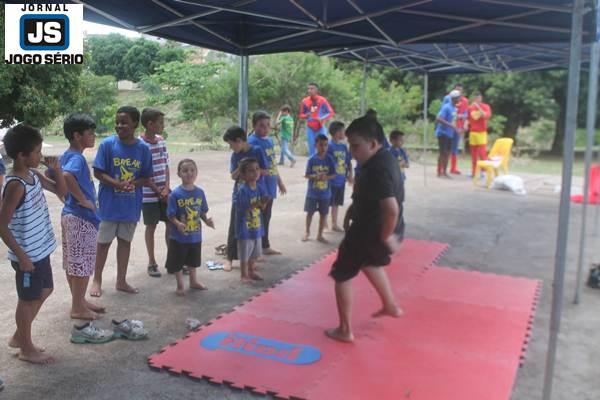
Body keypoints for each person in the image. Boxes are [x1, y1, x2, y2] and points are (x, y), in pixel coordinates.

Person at [326, 116, 404, 343]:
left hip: (369, 231)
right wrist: (353, 210)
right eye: (350, 145)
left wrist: (386, 236)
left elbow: (390, 208)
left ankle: (344, 330)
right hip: (375, 226)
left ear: (372, 143)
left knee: (342, 273)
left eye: (356, 146)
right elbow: (372, 197)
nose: (352, 151)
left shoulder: (376, 169)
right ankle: (390, 306)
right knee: (370, 262)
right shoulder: (384, 158)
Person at [0, 124, 67, 363]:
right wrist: (22, 256)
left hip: (41, 249)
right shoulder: (16, 184)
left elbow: (61, 192)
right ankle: (26, 349)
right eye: (37, 152)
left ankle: (20, 336)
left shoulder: (33, 175)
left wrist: (56, 170)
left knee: (46, 290)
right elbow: (2, 224)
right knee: (28, 299)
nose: (40, 156)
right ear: (22, 155)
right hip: (28, 254)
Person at [90, 106, 152, 297]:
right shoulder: (107, 145)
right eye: (117, 122)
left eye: (124, 122)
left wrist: (132, 183)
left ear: (135, 123)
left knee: (125, 242)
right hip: (109, 206)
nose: (119, 126)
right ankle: (97, 280)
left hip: (130, 206)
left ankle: (121, 280)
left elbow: (146, 177)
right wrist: (116, 184)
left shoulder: (143, 149)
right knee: (103, 244)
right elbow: (98, 172)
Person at [60, 114, 105, 321]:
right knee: (82, 266)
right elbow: (67, 176)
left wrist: (68, 197)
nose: (93, 136)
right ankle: (77, 308)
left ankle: (79, 302)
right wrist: (83, 200)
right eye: (90, 133)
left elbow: (59, 178)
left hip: (70, 216)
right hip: (81, 218)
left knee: (74, 264)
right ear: (77, 136)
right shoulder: (77, 158)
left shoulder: (67, 155)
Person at [222, 126, 269, 272]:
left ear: (239, 141)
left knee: (254, 226)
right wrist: (240, 168)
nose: (231, 148)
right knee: (235, 226)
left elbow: (266, 171)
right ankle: (229, 258)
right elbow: (233, 176)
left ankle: (251, 260)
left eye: (231, 144)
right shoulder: (235, 156)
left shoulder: (256, 150)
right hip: (239, 195)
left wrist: (252, 170)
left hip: (255, 195)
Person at [165, 159, 213, 295]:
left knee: (193, 261)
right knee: (177, 262)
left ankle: (193, 281)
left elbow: (202, 211)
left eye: (192, 170)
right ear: (179, 174)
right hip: (179, 237)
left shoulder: (200, 192)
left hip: (195, 235)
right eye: (185, 171)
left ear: (196, 172)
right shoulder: (175, 194)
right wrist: (178, 224)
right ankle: (180, 285)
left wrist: (206, 221)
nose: (189, 173)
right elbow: (170, 214)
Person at [248, 111, 287, 255]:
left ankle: (264, 246)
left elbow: (272, 164)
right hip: (259, 188)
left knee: (266, 217)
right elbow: (251, 169)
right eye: (261, 126)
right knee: (256, 218)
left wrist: (279, 182)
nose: (265, 129)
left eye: (267, 126)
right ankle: (255, 249)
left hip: (270, 186)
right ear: (254, 126)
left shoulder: (269, 140)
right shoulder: (252, 143)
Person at [140, 108, 170, 278]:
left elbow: (166, 166)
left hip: (164, 192)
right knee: (151, 226)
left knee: (171, 224)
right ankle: (152, 262)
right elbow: (144, 174)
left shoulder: (161, 141)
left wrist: (166, 188)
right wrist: (158, 190)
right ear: (150, 124)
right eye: (160, 123)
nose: (163, 126)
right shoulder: (140, 145)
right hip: (148, 195)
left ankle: (173, 259)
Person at [235, 157, 269, 282]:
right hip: (245, 228)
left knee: (255, 251)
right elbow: (245, 207)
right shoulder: (243, 190)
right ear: (243, 175)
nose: (255, 172)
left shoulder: (259, 187)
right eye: (251, 170)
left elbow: (262, 206)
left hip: (256, 225)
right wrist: (260, 203)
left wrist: (264, 203)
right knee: (245, 253)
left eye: (257, 169)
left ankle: (251, 270)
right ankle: (243, 275)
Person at [303, 134, 336, 243]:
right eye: (321, 145)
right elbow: (307, 175)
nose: (323, 147)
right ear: (315, 145)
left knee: (323, 214)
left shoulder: (330, 159)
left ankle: (320, 235)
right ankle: (307, 232)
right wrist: (315, 177)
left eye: (326, 145)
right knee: (310, 213)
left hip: (325, 194)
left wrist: (326, 177)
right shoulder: (311, 160)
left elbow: (333, 175)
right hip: (312, 193)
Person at [327, 121, 353, 232]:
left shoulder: (343, 146)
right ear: (337, 133)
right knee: (326, 202)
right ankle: (324, 224)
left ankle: (334, 223)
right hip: (331, 181)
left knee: (336, 202)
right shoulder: (329, 146)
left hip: (341, 180)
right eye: (343, 131)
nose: (344, 133)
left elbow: (348, 162)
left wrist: (350, 175)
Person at [299, 82, 334, 157]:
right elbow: (301, 115)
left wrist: (322, 119)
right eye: (308, 89)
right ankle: (312, 165)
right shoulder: (304, 101)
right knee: (312, 147)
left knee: (324, 146)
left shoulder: (322, 100)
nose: (309, 90)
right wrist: (305, 116)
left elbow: (331, 112)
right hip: (310, 128)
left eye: (312, 88)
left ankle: (326, 162)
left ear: (316, 90)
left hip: (320, 127)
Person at [443, 84, 469, 174]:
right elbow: (444, 110)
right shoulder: (447, 98)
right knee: (445, 148)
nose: (459, 93)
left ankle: (453, 168)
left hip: (458, 127)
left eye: (460, 91)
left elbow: (466, 113)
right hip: (448, 126)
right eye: (457, 90)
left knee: (455, 147)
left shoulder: (465, 101)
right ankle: (442, 169)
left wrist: (465, 123)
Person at [435, 91, 462, 179]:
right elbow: (438, 118)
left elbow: (453, 121)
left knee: (447, 153)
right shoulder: (446, 107)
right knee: (442, 153)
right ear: (454, 99)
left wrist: (456, 129)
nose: (459, 99)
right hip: (442, 133)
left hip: (450, 134)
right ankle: (439, 172)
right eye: (458, 98)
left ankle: (445, 172)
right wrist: (450, 125)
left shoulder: (455, 108)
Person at [467, 92, 492, 177]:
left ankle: (484, 171)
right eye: (476, 98)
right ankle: (474, 172)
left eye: (479, 98)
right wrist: (465, 125)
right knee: (473, 154)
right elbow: (468, 118)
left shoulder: (486, 107)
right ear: (474, 98)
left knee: (482, 153)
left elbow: (486, 116)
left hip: (482, 133)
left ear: (481, 98)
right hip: (473, 133)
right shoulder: (470, 108)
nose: (477, 99)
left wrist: (478, 107)